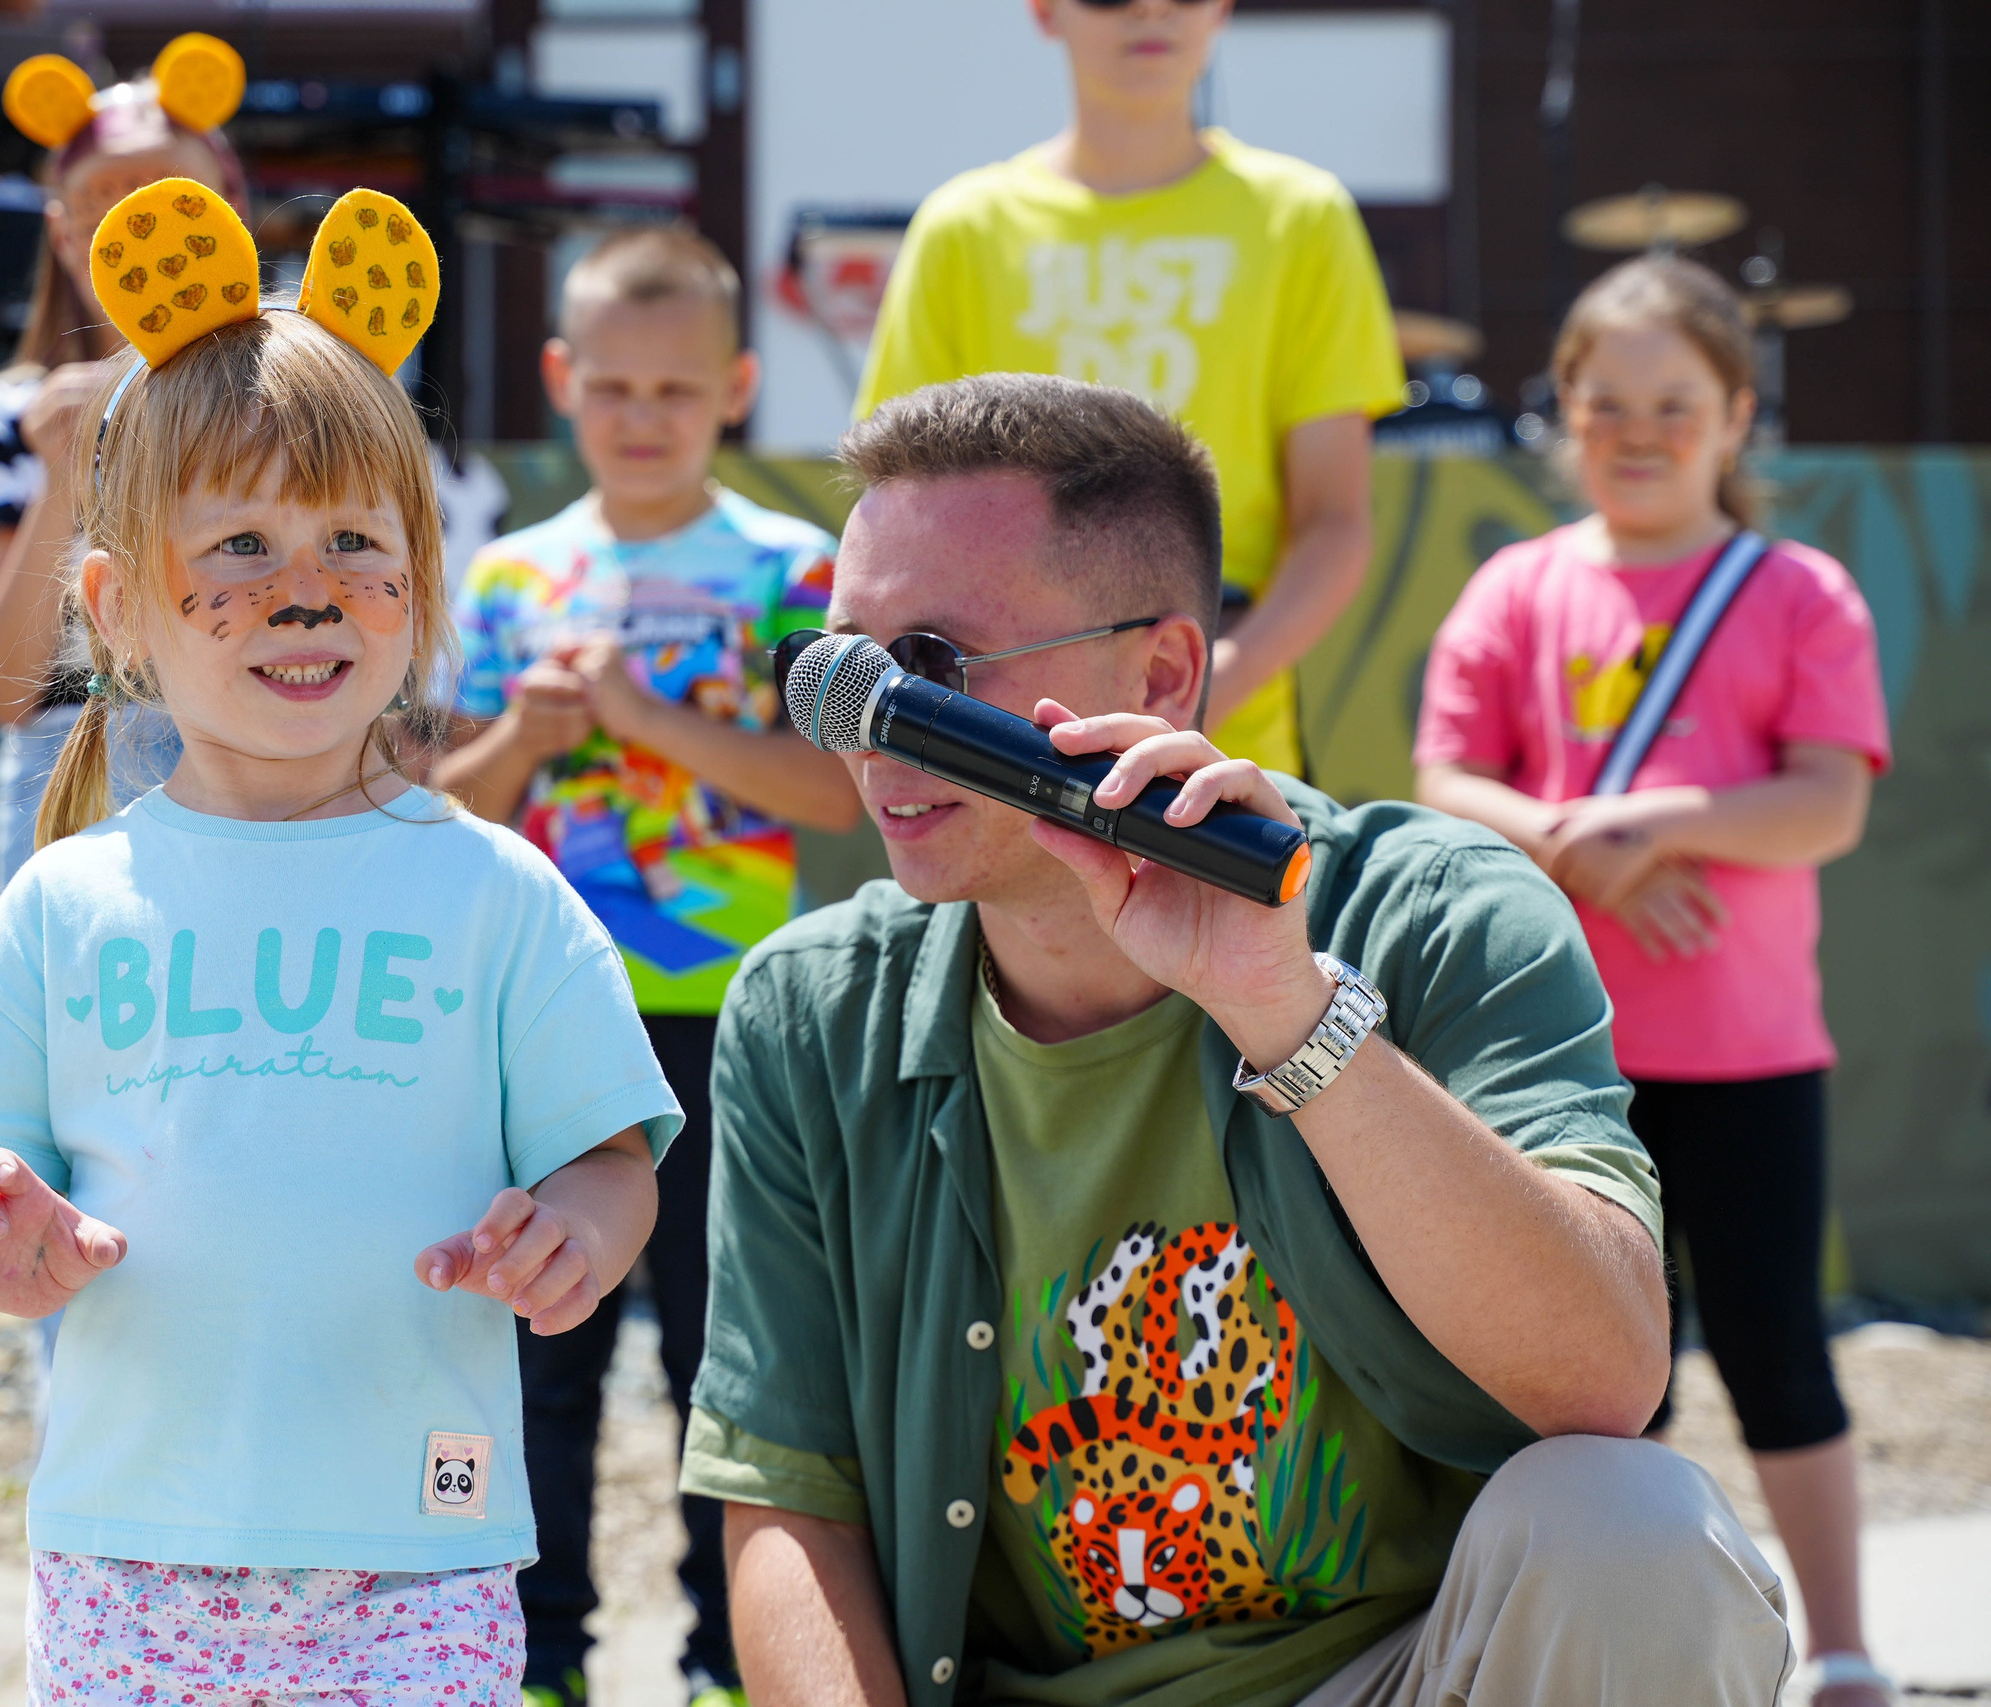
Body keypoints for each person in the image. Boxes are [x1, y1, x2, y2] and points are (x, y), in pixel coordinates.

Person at [681, 372, 1797, 1707]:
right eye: (835, 670)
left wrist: (1292, 1010)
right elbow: (795, 1506)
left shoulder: (1435, 910)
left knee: (1634, 1527)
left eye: (924, 671)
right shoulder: (813, 1010)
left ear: (1158, 672)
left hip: (1400, 1677)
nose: (865, 730)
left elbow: (1604, 1374)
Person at [0, 179, 679, 1707]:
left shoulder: (498, 892)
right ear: (120, 613)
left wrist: (576, 1236)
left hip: (424, 1552)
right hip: (128, 1549)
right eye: (242, 539)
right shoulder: (64, 902)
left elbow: (613, 1153)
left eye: (350, 538)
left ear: (419, 585)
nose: (305, 583)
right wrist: (5, 1240)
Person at [1414, 257, 1892, 1707]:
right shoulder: (1516, 586)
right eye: (1604, 401)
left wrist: (1646, 826)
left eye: (1674, 403)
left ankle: (1849, 1647)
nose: (1637, 429)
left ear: (1736, 414)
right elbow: (1444, 777)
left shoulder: (1801, 590)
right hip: (1559, 1062)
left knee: (1776, 1350)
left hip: (1748, 1055)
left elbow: (1825, 803)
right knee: (1596, 1379)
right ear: (1563, 409)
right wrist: (1568, 835)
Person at [430, 226, 858, 1706]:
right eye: (611, 383)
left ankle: (719, 1658)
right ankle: (539, 1653)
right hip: (544, 1023)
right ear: (560, 381)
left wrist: (645, 716)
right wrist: (521, 743)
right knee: (539, 1351)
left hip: (730, 1019)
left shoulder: (792, 564)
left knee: (719, 1367)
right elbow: (451, 813)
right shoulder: (505, 574)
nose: (642, 414)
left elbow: (837, 790)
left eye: (677, 388)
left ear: (736, 387)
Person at [856, 0, 1403, 781]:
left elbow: (1335, 523)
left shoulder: (1301, 218)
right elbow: (901, 507)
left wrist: (1202, 686)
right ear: (1046, 11)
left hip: (1229, 735)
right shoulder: (963, 229)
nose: (1150, 9)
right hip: (1006, 722)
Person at [0, 39, 249, 901]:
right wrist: (65, 475)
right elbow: (1, 689)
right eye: (106, 197)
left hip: (256, 768)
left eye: (166, 193)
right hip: (67, 786)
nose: (136, 225)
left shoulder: (282, 409)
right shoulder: (4, 418)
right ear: (62, 230)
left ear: (232, 209)